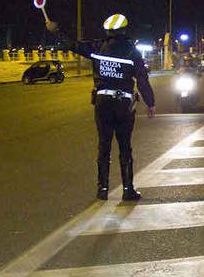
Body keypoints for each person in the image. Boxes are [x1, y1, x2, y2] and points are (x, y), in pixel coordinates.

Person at [46, 13, 155, 201]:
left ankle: (102, 189)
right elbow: (143, 80)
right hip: (123, 105)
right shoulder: (133, 52)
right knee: (124, 147)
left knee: (104, 146)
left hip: (102, 103)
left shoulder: (97, 47)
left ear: (108, 31)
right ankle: (128, 189)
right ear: (124, 30)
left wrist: (56, 31)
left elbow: (72, 44)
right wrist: (150, 103)